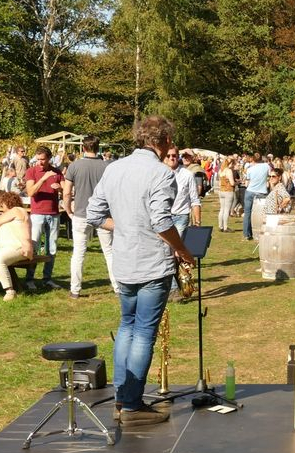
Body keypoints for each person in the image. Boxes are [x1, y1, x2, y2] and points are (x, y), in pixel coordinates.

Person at [85, 115, 196, 427]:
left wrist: (126, 227)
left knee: (126, 328)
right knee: (144, 332)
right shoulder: (161, 172)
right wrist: (183, 250)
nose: (171, 146)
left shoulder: (114, 168)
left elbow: (94, 214)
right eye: (169, 140)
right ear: (160, 141)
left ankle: (123, 398)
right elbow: (161, 221)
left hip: (124, 262)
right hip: (151, 264)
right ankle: (132, 405)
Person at [63, 135, 115, 298]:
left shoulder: (74, 166)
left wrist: (68, 211)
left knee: (78, 253)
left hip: (81, 214)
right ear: (98, 147)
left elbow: (66, 192)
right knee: (110, 252)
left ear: (83, 148)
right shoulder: (107, 166)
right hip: (103, 214)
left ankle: (75, 289)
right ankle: (118, 287)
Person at [24, 146, 63, 290]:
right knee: (34, 247)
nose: (40, 162)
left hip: (53, 214)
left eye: (43, 159)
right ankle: (29, 279)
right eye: (38, 159)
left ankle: (47, 279)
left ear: (49, 159)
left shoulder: (57, 172)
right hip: (37, 214)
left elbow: (66, 190)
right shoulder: (31, 171)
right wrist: (43, 179)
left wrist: (60, 188)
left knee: (51, 248)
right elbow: (30, 192)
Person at [170, 151, 202, 235]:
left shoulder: (189, 173)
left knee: (177, 245)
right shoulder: (159, 173)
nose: (171, 158)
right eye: (168, 156)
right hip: (164, 216)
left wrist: (197, 222)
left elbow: (195, 199)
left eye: (174, 155)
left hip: (181, 215)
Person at [241, 154, 269, 241]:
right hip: (262, 192)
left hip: (250, 191)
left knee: (247, 213)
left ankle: (246, 234)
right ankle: (262, 231)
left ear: (253, 159)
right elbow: (269, 176)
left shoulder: (250, 169)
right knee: (263, 213)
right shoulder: (266, 166)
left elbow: (247, 181)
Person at [216, 158, 236, 232]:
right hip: (228, 191)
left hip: (221, 191)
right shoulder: (228, 171)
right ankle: (225, 227)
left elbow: (220, 183)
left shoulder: (220, 171)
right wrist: (237, 182)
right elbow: (232, 183)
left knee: (222, 209)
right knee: (227, 210)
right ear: (230, 163)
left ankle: (220, 226)